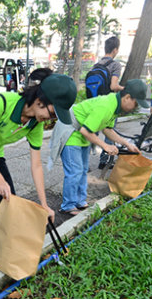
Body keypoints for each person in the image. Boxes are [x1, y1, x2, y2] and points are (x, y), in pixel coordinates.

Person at [0, 73, 76, 262]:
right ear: (39, 100)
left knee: (9, 198)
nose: (51, 120)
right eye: (52, 113)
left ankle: (1, 241)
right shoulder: (0, 103)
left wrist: (44, 205)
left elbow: (36, 165)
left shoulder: (35, 124)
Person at [57, 79, 145, 215]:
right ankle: (68, 205)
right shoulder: (106, 106)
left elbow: (108, 130)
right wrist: (105, 146)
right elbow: (85, 131)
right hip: (70, 131)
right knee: (74, 171)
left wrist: (127, 144)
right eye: (136, 103)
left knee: (83, 169)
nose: (136, 107)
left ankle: (79, 201)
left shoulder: (115, 105)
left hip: (82, 132)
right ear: (127, 97)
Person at [95, 36, 124, 169]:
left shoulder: (96, 65)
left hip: (95, 103)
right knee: (109, 131)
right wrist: (124, 88)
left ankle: (83, 160)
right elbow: (113, 86)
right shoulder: (115, 65)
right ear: (115, 50)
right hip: (108, 105)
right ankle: (104, 160)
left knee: (92, 132)